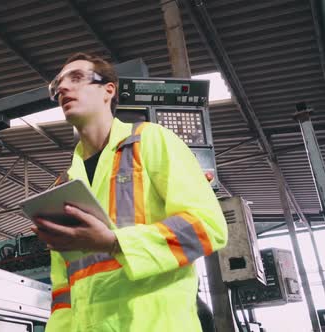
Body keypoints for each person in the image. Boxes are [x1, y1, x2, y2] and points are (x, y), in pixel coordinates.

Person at [30, 53, 228, 332]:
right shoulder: (64, 184)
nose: (62, 88)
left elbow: (207, 226)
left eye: (76, 78)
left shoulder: (151, 140)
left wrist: (114, 243)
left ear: (108, 90)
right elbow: (63, 291)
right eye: (58, 84)